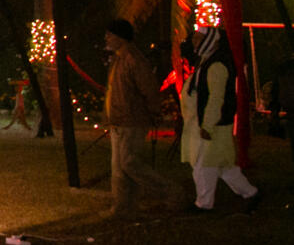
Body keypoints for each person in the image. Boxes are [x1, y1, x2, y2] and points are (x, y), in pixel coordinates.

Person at [180, 27, 262, 214]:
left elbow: (216, 98)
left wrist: (207, 125)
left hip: (212, 126)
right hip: (209, 124)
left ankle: (204, 204)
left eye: (198, 39)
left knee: (204, 165)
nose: (194, 42)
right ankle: (251, 193)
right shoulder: (206, 62)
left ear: (210, 41)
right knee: (222, 166)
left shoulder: (216, 65)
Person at [104, 18, 173, 218]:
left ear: (120, 37)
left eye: (110, 34)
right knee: (119, 168)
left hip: (132, 120)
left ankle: (170, 192)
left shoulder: (133, 59)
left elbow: (149, 89)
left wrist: (154, 112)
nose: (107, 38)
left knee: (129, 163)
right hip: (119, 120)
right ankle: (123, 207)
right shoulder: (119, 59)